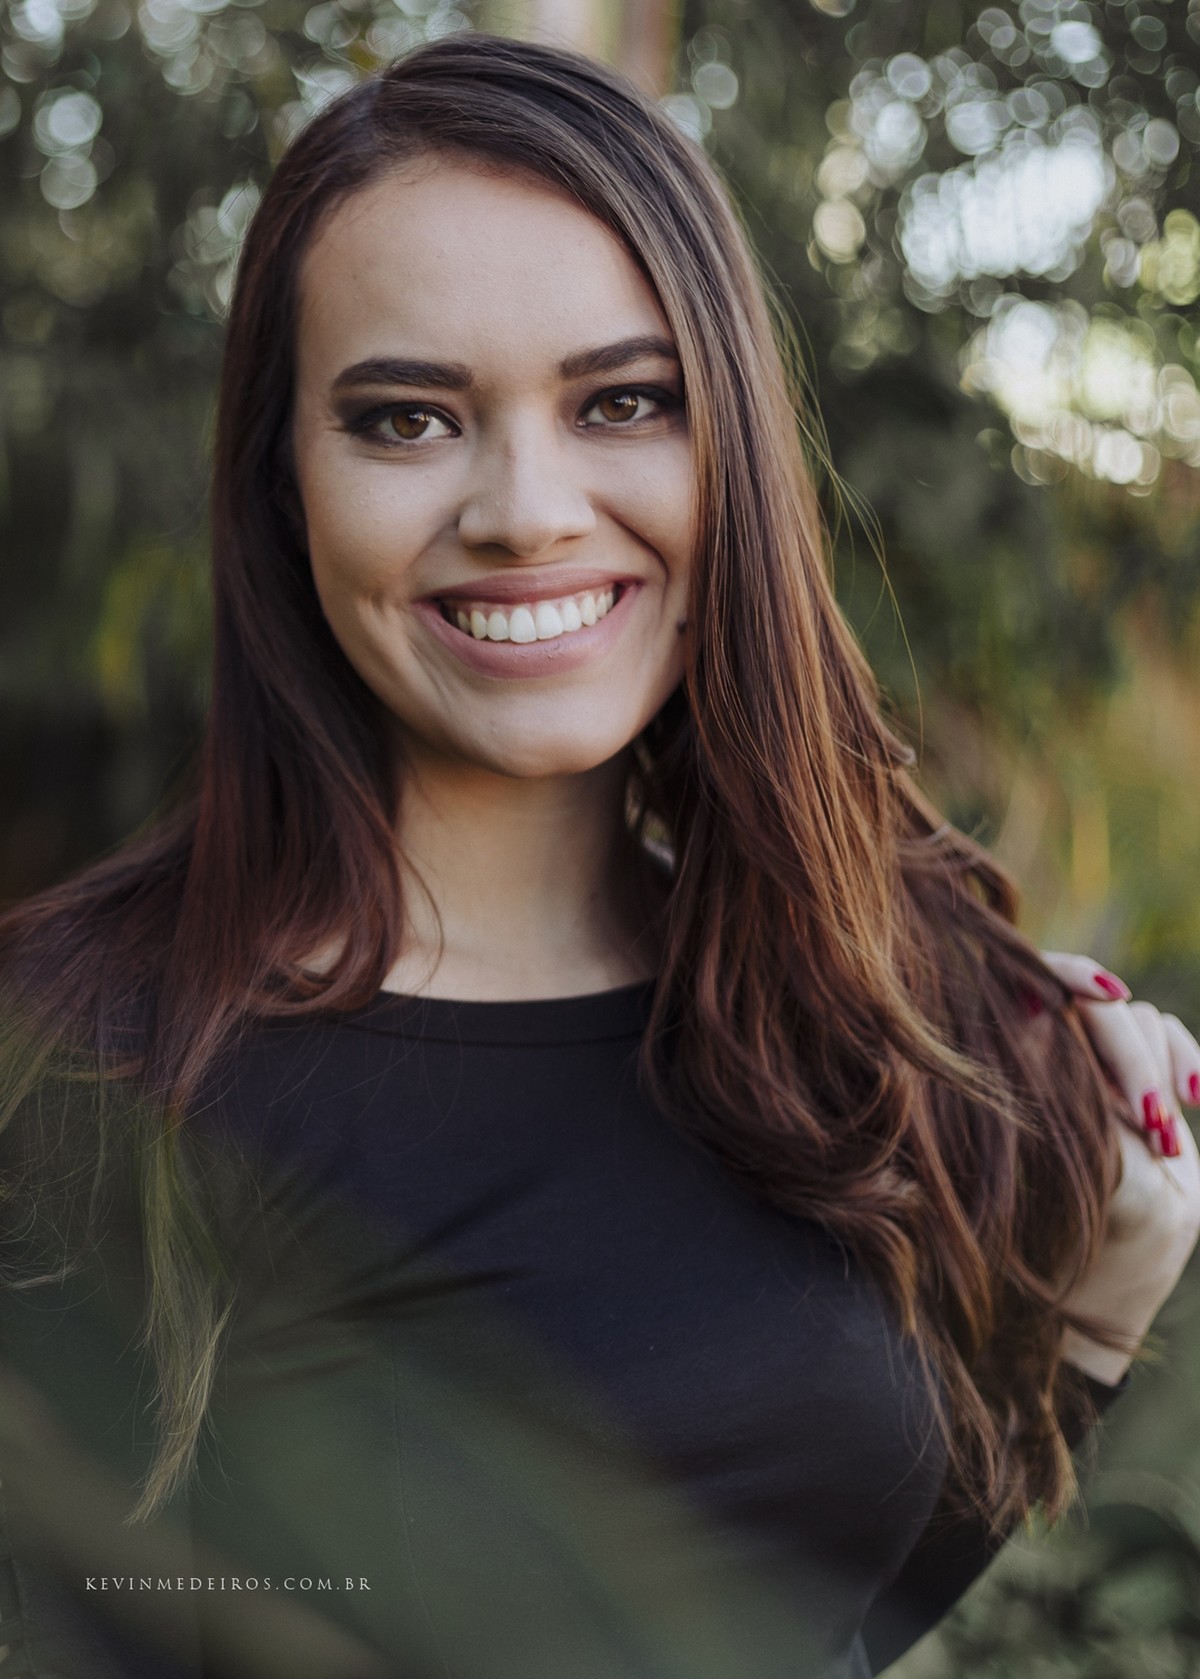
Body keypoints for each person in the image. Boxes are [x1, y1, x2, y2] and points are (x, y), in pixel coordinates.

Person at [0, 31, 1197, 1679]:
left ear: (733, 453)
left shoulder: (853, 1017)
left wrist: (1098, 1311)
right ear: (285, 483)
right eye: (407, 419)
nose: (527, 509)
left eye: (624, 402)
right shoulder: (77, 1065)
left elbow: (808, 1630)